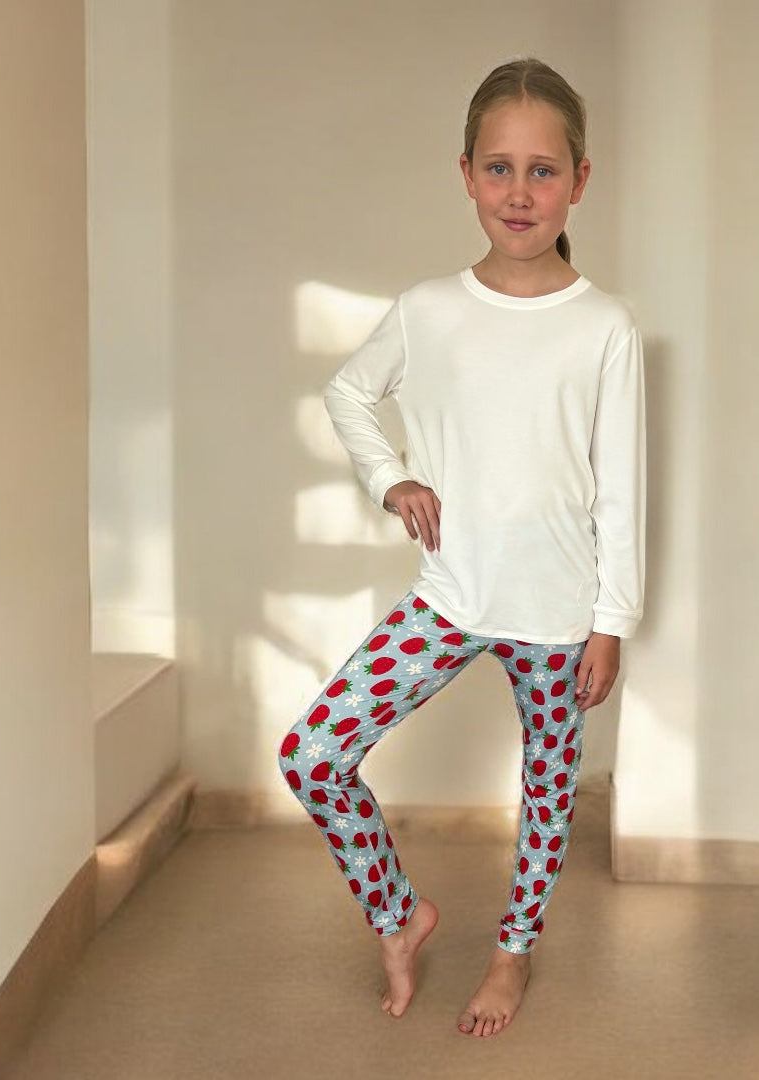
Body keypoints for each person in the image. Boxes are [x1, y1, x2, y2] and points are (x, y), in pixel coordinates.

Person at [277, 56, 646, 1038]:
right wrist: (390, 478)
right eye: (498, 168)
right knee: (313, 753)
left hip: (561, 614)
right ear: (466, 173)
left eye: (541, 170)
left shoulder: (604, 328)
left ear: (579, 180)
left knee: (546, 794)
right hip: (451, 597)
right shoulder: (430, 310)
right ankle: (401, 917)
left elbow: (622, 485)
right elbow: (350, 391)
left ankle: (512, 955)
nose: (518, 193)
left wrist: (612, 620)